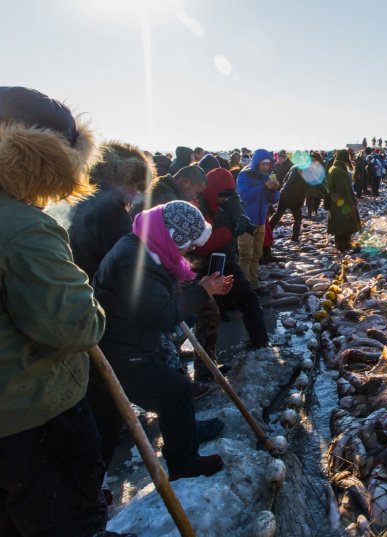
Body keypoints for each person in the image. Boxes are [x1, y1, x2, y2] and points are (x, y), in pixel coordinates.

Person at [0, 86, 133, 537]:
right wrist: (85, 295)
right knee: (68, 523)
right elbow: (76, 326)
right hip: (30, 421)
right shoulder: (23, 228)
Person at [93, 201, 230, 481]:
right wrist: (202, 292)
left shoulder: (143, 246)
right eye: (189, 244)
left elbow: (158, 298)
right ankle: (184, 462)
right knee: (174, 392)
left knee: (168, 389)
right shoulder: (136, 260)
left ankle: (185, 433)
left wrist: (201, 289)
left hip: (130, 341)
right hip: (122, 350)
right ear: (173, 235)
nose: (192, 250)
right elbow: (161, 314)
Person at [195, 168, 270, 349]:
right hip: (201, 263)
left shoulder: (227, 203)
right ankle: (205, 365)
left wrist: (236, 216)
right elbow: (202, 245)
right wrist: (230, 230)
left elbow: (242, 220)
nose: (226, 198)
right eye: (222, 194)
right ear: (212, 191)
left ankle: (260, 341)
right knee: (204, 312)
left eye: (230, 193)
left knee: (246, 299)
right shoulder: (198, 206)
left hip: (225, 258)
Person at [69, 142, 152, 281]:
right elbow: (128, 264)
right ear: (113, 179)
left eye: (138, 187)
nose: (134, 191)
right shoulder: (113, 212)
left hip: (75, 282)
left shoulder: (79, 198)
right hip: (95, 290)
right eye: (131, 184)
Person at [236, 149, 278, 289]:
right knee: (245, 255)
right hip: (247, 222)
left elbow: (273, 199)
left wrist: (273, 190)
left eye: (268, 164)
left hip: (261, 222)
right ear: (256, 163)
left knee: (257, 255)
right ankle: (243, 286)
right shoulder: (244, 175)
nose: (266, 167)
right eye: (263, 164)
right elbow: (244, 196)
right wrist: (264, 187)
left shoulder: (267, 176)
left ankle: (253, 283)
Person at [270, 151, 325, 242]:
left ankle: (267, 234)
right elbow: (317, 183)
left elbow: (285, 180)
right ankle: (294, 239)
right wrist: (327, 193)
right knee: (297, 218)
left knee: (278, 214)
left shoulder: (295, 166)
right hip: (295, 197)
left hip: (284, 194)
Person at [326, 149, 361, 252]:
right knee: (346, 223)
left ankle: (340, 246)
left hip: (335, 201)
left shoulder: (333, 168)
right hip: (342, 203)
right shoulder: (340, 171)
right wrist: (351, 203)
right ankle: (344, 246)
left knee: (338, 224)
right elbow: (344, 190)